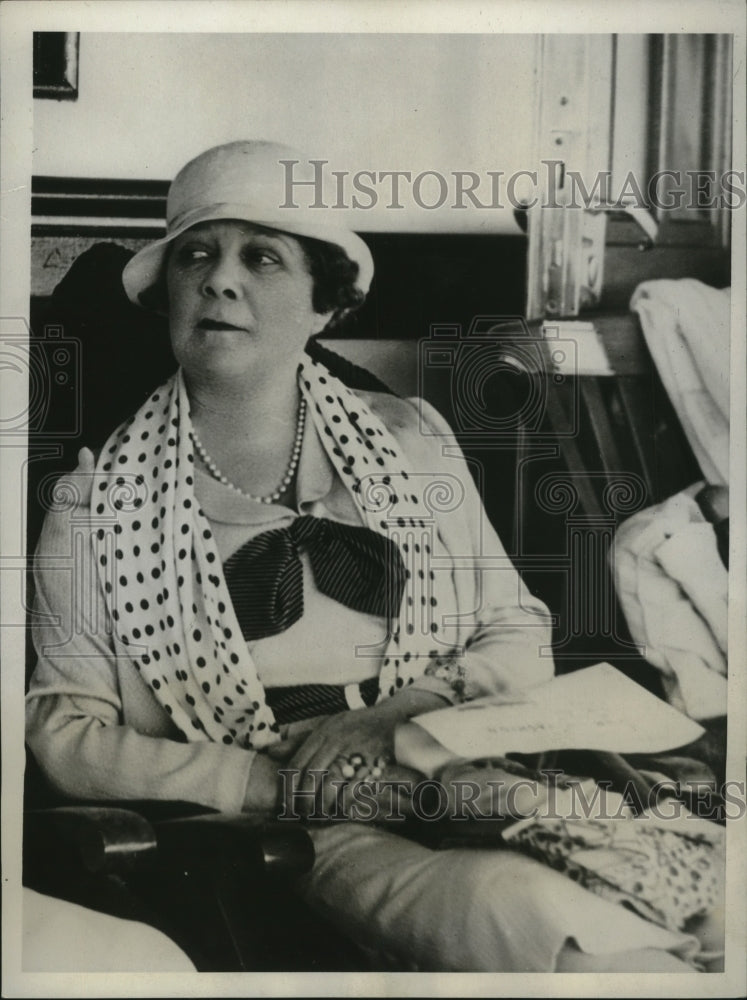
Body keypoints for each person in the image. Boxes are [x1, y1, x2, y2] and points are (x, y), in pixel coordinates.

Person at [26, 141, 717, 972]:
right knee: (531, 916)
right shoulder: (99, 500)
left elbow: (514, 629)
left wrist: (399, 712)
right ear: (167, 292)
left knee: (703, 894)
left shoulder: (413, 441)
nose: (218, 279)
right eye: (196, 257)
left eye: (264, 258)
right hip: (297, 830)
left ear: (325, 305)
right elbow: (63, 733)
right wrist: (263, 783)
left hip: (455, 767)